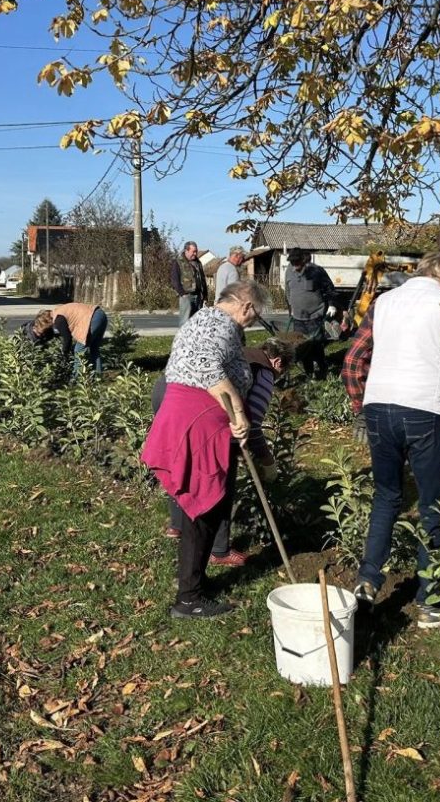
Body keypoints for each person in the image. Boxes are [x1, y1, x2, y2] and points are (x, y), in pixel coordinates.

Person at [340, 251, 440, 628]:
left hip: (380, 407)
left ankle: (367, 580)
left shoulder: (384, 303)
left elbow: (352, 361)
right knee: (431, 504)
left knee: (386, 496)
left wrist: (359, 405)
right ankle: (430, 601)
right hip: (424, 410)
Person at [140, 279, 268, 619]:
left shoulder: (211, 321)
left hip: (201, 420)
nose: (253, 321)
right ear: (246, 305)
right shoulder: (216, 322)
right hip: (197, 422)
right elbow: (204, 366)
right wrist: (238, 412)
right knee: (202, 508)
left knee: (208, 506)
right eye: (255, 314)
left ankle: (195, 584)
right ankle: (189, 598)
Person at [153, 336, 294, 565]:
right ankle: (219, 551)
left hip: (165, 389)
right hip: (191, 403)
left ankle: (177, 526)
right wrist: (267, 461)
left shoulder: (243, 353)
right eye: (283, 373)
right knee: (221, 475)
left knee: (180, 459)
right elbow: (253, 424)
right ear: (278, 362)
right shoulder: (264, 371)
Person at [283, 248, 337, 377]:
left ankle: (323, 371)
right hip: (297, 318)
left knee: (316, 346)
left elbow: (330, 289)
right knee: (302, 347)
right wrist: (290, 309)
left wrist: (332, 305)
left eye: (297, 262)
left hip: (315, 315)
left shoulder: (316, 271)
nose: (294, 266)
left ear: (304, 260)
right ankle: (309, 373)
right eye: (292, 262)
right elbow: (288, 291)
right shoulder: (289, 271)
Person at [29, 302, 109, 376]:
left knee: (78, 350)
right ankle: (99, 376)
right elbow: (64, 333)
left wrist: (64, 353)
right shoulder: (58, 311)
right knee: (94, 349)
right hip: (100, 314)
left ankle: (77, 379)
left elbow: (67, 338)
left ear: (46, 321)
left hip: (93, 318)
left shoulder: (58, 319)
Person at [170, 241, 208, 326]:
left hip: (198, 297)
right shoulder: (178, 262)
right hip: (187, 296)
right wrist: (183, 294)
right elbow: (174, 280)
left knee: (197, 322)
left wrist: (205, 295)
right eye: (193, 251)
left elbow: (203, 279)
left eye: (196, 251)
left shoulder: (198, 263)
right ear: (186, 251)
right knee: (185, 322)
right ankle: (183, 339)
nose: (195, 254)